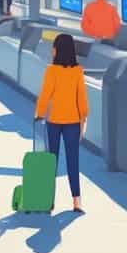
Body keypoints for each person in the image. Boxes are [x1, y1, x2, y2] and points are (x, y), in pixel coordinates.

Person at [34, 33, 89, 212]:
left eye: (54, 46)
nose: (52, 49)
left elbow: (45, 95)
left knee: (51, 161)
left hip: (54, 121)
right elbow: (82, 98)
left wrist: (39, 114)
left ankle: (48, 200)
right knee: (73, 161)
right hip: (73, 122)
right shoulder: (77, 71)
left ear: (57, 50)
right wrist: (83, 118)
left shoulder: (52, 70)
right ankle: (77, 201)